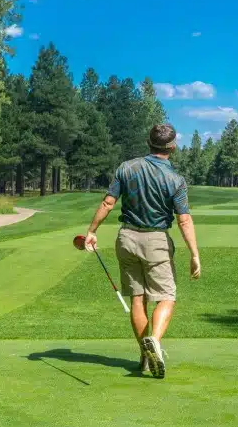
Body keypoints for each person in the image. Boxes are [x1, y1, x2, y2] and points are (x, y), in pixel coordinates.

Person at [84, 123, 201, 379]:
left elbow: (108, 202)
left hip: (126, 238)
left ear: (148, 143)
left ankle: (145, 356)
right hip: (156, 240)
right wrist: (194, 254)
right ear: (172, 146)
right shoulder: (176, 180)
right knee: (166, 297)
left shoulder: (126, 167)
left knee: (138, 299)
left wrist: (92, 230)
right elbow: (183, 220)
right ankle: (155, 343)